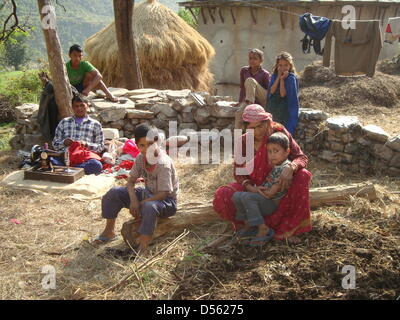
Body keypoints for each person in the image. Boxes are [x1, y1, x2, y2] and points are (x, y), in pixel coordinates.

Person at [213, 104, 312, 243]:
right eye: (252, 128)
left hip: (280, 186)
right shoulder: (243, 141)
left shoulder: (278, 132)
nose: (258, 131)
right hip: (255, 187)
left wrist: (291, 167)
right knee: (224, 194)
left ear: (267, 122)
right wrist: (251, 187)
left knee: (303, 175)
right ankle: (250, 225)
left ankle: (286, 230)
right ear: (246, 127)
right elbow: (239, 173)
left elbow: (301, 157)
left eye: (261, 126)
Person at [95, 124, 179, 252]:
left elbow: (163, 194)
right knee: (114, 193)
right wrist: (134, 200)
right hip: (148, 194)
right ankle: (109, 232)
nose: (147, 149)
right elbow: (130, 182)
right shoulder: (140, 158)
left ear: (157, 143)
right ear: (137, 146)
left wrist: (140, 204)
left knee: (149, 207)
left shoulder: (163, 163)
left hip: (166, 202)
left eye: (151, 144)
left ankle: (143, 246)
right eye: (142, 145)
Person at [232, 132, 293, 246]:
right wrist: (255, 189)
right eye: (269, 151)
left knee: (246, 197)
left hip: (271, 204)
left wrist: (258, 190)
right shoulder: (276, 166)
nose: (272, 155)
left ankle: (262, 228)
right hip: (264, 199)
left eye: (276, 151)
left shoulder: (285, 169)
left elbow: (270, 194)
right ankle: (248, 224)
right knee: (236, 196)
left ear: (287, 152)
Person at [51, 94, 104, 175]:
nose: (79, 108)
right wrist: (64, 142)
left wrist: (86, 144)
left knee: (96, 165)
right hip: (65, 157)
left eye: (82, 105)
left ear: (87, 106)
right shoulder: (64, 122)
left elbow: (100, 147)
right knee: (48, 160)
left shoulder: (95, 124)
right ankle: (74, 171)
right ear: (72, 107)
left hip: (84, 159)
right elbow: (55, 144)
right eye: (76, 106)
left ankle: (67, 171)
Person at [266, 52, 300, 135]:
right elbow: (272, 91)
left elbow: (282, 94)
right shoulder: (274, 76)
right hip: (273, 106)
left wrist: (282, 80)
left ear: (290, 66)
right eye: (280, 65)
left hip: (284, 108)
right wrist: (278, 77)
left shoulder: (291, 78)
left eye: (286, 65)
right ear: (277, 66)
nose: (283, 68)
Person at [235, 49, 270, 129]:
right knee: (239, 113)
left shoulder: (265, 73)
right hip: (248, 98)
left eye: (255, 58)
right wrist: (240, 101)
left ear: (261, 60)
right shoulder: (244, 70)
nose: (252, 61)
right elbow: (242, 88)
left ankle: (249, 106)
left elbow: (268, 91)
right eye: (250, 58)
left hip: (262, 98)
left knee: (250, 80)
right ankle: (238, 138)